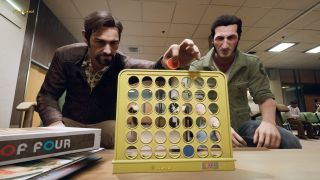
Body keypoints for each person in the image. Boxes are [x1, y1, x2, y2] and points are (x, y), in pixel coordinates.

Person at [36, 11, 200, 148]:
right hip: (69, 123)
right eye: (100, 42)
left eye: (114, 43)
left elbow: (155, 69)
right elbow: (47, 95)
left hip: (105, 126)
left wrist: (173, 61)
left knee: (131, 138)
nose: (108, 50)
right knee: (42, 134)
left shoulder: (124, 64)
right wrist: (55, 124)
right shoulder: (64, 56)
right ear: (86, 37)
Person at [189, 15, 301, 149]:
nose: (225, 45)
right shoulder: (198, 66)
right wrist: (219, 126)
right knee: (208, 151)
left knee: (290, 141)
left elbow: (264, 97)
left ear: (238, 38)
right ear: (213, 40)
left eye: (230, 38)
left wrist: (269, 123)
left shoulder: (251, 63)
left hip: (241, 125)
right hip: (209, 125)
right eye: (220, 38)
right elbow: (196, 102)